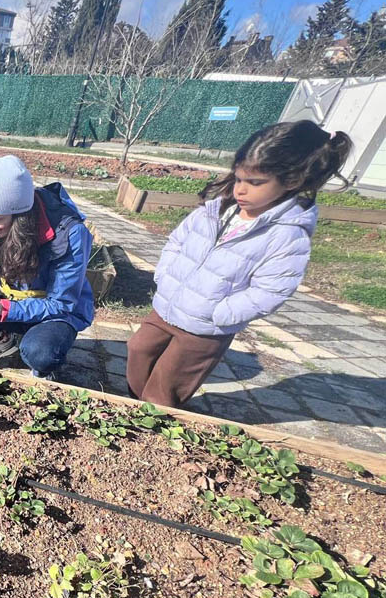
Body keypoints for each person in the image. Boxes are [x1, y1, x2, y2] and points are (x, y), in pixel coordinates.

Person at [127, 121, 353, 408]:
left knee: (164, 386)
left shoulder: (286, 234)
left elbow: (272, 290)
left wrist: (221, 313)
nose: (240, 190)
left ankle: (154, 420)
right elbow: (176, 242)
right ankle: (133, 407)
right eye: (238, 179)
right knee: (138, 349)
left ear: (292, 181)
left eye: (255, 183)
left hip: (205, 329)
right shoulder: (216, 210)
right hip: (166, 308)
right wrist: (165, 275)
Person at [0, 155, 94, 377]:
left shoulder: (70, 233)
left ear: (21, 217)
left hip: (54, 314)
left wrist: (2, 309)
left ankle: (43, 367)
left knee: (41, 353)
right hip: (9, 304)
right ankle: (2, 342)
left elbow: (61, 303)